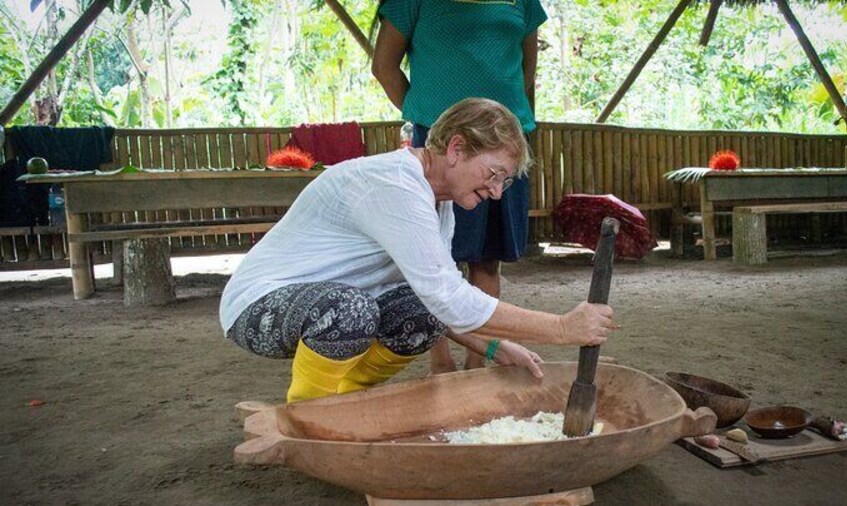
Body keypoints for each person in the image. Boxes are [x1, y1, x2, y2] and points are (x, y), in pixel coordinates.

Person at [219, 99, 615, 403]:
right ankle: (309, 412)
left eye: (506, 183)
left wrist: (495, 347)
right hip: (257, 307)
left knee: (418, 312)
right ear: (456, 149)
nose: (497, 192)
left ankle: (345, 399)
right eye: (494, 175)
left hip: (329, 306)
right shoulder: (395, 186)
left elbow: (438, 303)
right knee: (351, 310)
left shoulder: (439, 203)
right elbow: (452, 299)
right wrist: (563, 328)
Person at [371, 0, 546, 373]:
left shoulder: (524, 1)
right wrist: (435, 122)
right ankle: (441, 365)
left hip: (501, 145)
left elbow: (526, 69)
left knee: (487, 258)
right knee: (436, 256)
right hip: (445, 144)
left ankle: (477, 367)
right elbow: (384, 66)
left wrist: (500, 129)